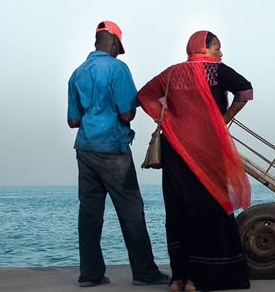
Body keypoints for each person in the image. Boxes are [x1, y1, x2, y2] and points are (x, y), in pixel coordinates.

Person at [138, 31, 253, 292]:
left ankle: (178, 279)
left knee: (178, 211)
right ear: (206, 48)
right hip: (207, 148)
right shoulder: (215, 70)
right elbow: (245, 91)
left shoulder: (171, 73)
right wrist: (224, 119)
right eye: (217, 48)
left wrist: (167, 120)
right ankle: (198, 279)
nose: (220, 54)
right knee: (208, 210)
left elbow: (144, 96)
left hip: (175, 150)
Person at [67, 21, 170, 288]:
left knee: (89, 214)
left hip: (85, 149)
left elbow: (73, 120)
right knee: (131, 212)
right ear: (113, 42)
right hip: (113, 150)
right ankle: (145, 272)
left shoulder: (77, 73)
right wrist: (127, 111)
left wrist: (94, 111)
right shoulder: (118, 68)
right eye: (118, 47)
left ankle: (90, 275)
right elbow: (126, 113)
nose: (118, 51)